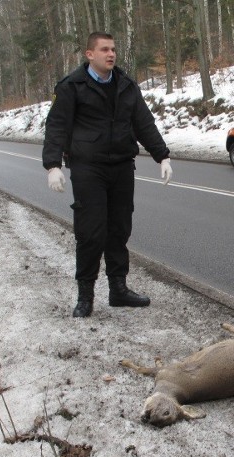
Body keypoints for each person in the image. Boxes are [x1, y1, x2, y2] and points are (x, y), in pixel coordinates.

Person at [43, 32, 173, 318]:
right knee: (91, 232)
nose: (111, 54)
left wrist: (161, 155)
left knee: (119, 229)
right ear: (90, 54)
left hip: (122, 167)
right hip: (88, 168)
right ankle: (85, 296)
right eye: (104, 50)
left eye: (113, 49)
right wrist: (53, 165)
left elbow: (143, 123)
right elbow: (56, 127)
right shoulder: (71, 86)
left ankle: (118, 290)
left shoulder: (126, 85)